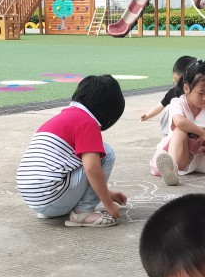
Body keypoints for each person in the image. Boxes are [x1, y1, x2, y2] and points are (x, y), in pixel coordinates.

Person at [17, 74, 129, 227]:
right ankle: (82, 213)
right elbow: (91, 168)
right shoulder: (86, 122)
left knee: (87, 156)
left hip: (36, 200)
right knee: (106, 152)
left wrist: (107, 194)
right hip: (53, 196)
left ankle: (57, 209)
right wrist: (108, 203)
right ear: (108, 108)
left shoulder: (63, 118)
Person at [140, 54, 198, 135]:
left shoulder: (204, 95)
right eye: (175, 82)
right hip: (179, 130)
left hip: (200, 128)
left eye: (180, 83)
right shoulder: (174, 92)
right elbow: (160, 106)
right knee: (169, 109)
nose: (178, 86)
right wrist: (147, 115)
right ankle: (168, 136)